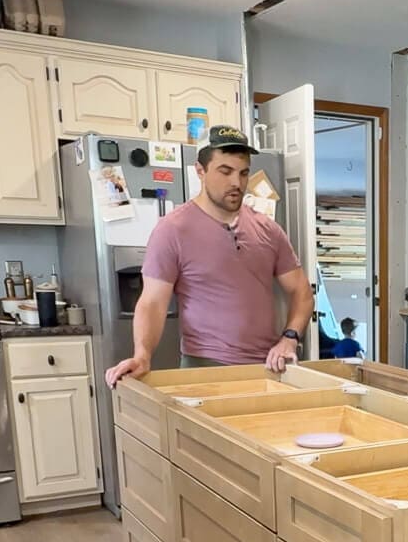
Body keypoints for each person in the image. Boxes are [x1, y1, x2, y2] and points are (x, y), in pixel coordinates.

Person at [103, 125, 314, 386]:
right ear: (200, 171)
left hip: (269, 369)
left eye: (243, 173)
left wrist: (290, 337)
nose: (236, 183)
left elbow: (302, 292)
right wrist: (142, 355)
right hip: (205, 368)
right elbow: (152, 302)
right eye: (225, 171)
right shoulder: (173, 230)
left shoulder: (268, 229)